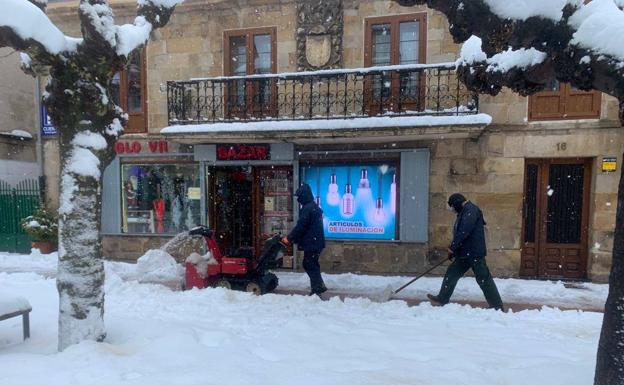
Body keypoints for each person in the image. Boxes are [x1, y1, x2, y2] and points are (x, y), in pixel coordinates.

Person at [427, 193, 504, 311]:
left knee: (483, 278)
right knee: (452, 273)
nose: (453, 210)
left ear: (458, 203)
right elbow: (462, 232)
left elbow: (464, 231)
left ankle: (497, 305)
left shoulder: (471, 210)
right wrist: (456, 249)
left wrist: (453, 247)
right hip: (464, 253)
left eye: (453, 206)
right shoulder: (465, 211)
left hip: (474, 253)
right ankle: (442, 298)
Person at [282, 183, 327, 297]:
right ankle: (318, 286)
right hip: (315, 242)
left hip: (312, 242)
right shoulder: (313, 206)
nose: (298, 200)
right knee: (311, 264)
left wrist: (289, 238)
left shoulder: (308, 209)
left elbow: (301, 227)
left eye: (299, 197)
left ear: (304, 196)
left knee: (309, 264)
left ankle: (317, 288)